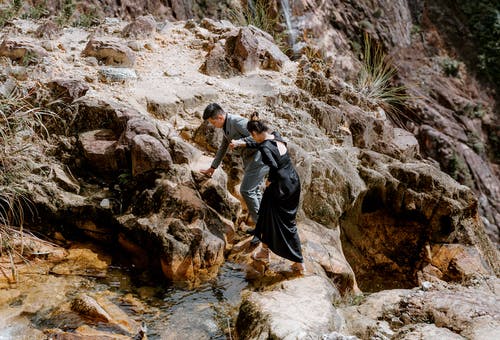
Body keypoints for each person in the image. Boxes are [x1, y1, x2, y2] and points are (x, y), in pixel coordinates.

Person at [238, 113, 305, 273]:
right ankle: (264, 252)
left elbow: (273, 166)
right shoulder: (276, 136)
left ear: (254, 134)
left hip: (280, 187)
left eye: (252, 136)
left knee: (284, 223)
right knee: (267, 216)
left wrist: (270, 180)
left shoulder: (264, 147)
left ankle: (298, 261)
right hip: (293, 181)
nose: (252, 139)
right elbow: (266, 144)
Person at [201, 103, 269, 237]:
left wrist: (239, 142)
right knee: (255, 191)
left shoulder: (236, 121)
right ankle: (263, 226)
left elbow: (259, 136)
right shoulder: (226, 125)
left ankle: (262, 230)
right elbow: (223, 147)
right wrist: (213, 167)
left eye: (212, 122)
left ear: (220, 117)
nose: (213, 125)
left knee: (246, 190)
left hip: (259, 159)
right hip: (251, 161)